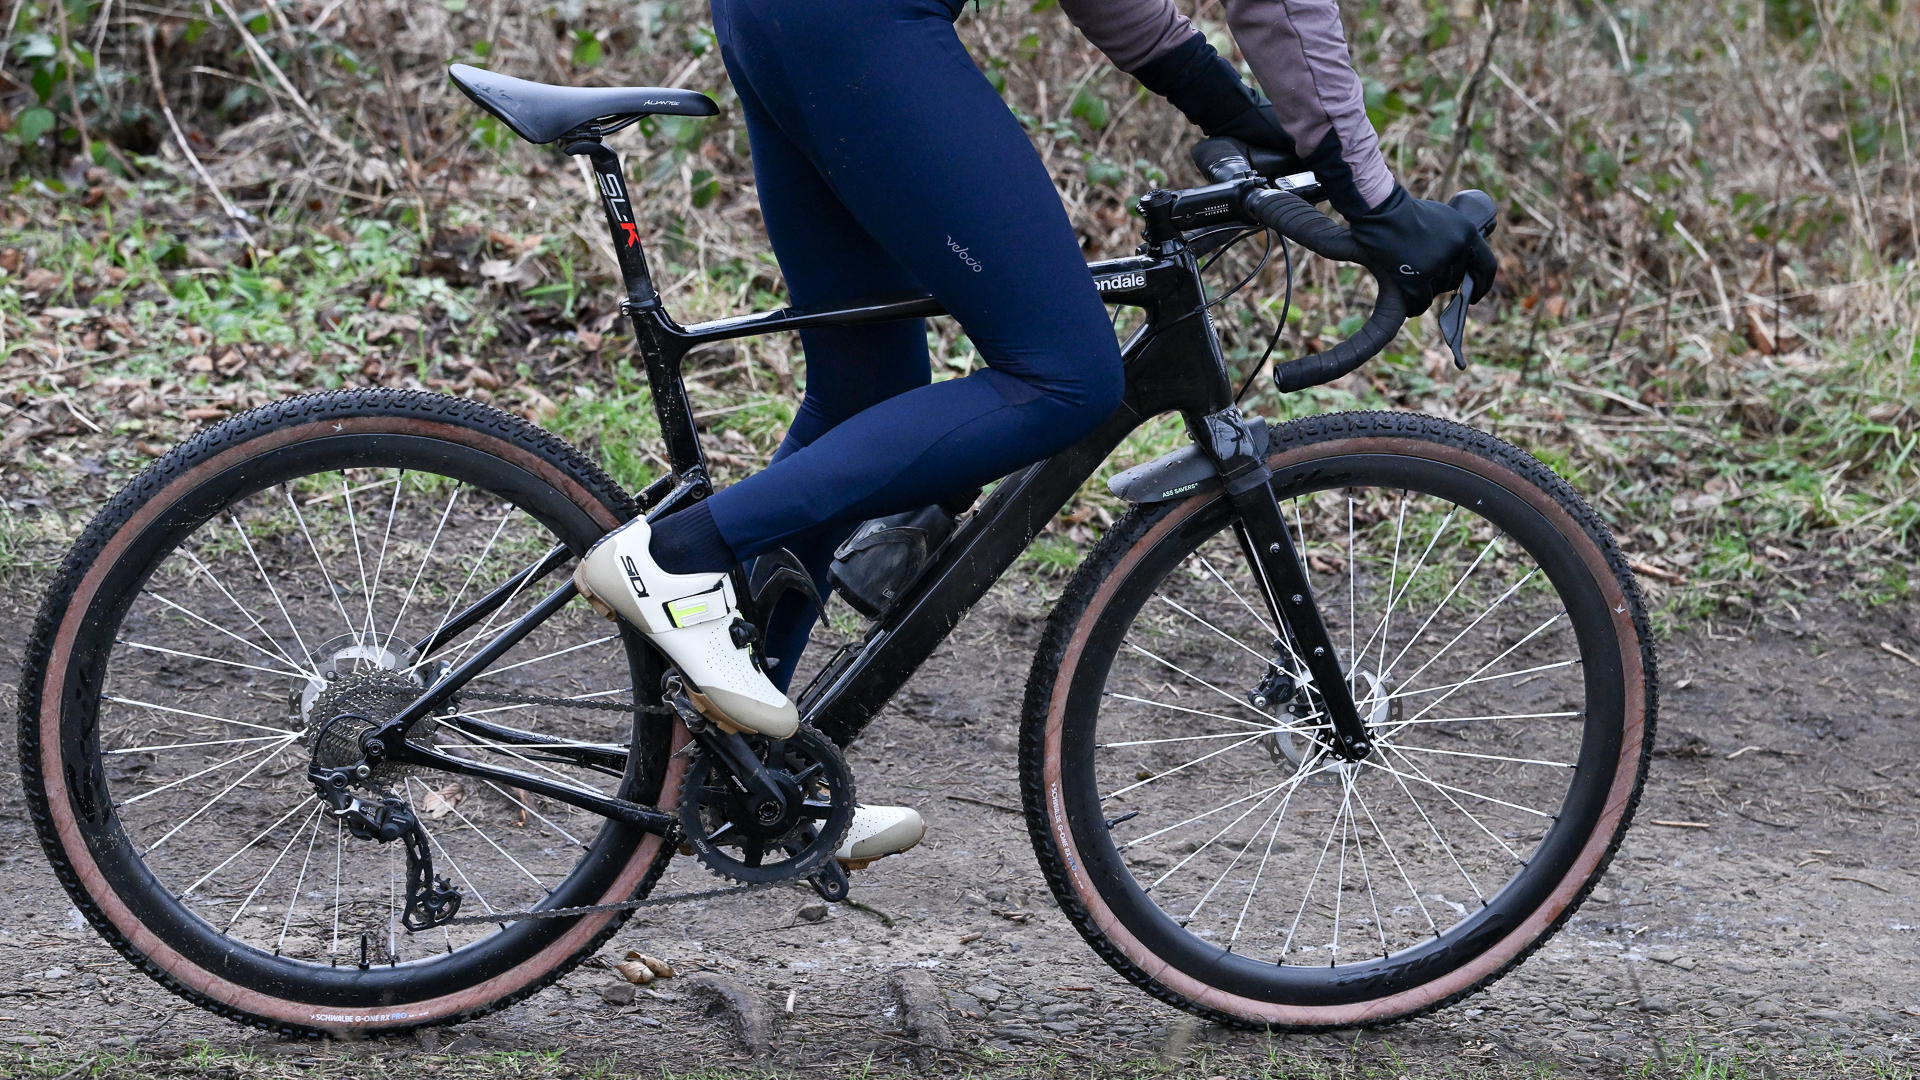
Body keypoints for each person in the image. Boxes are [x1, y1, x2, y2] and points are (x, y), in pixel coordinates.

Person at [575, 0, 1498, 869]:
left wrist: (1240, 114)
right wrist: (1374, 199)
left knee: (866, 389)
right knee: (1068, 376)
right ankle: (685, 553)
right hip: (857, 24)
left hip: (783, 20)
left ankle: (736, 765)